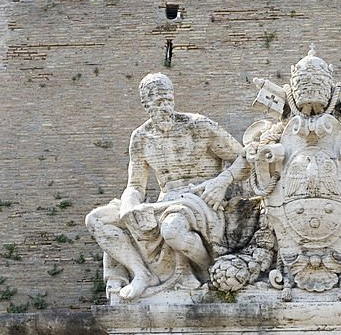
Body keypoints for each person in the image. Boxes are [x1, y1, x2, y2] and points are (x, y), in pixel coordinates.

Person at [85, 73, 244, 300]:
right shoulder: (141, 138)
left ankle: (207, 272)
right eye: (159, 103)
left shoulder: (198, 126)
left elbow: (245, 157)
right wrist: (129, 206)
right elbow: (136, 185)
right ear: (146, 105)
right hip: (165, 203)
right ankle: (141, 273)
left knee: (172, 229)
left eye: (168, 100)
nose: (165, 108)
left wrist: (222, 181)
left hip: (200, 199)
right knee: (97, 219)